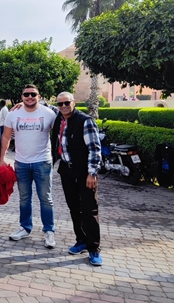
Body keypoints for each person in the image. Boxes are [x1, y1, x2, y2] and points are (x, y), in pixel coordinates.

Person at [0, 84, 57, 249]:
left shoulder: (49, 113)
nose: (29, 97)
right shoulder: (13, 114)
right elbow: (6, 137)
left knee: (46, 198)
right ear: (22, 97)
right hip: (21, 163)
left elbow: (62, 127)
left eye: (33, 94)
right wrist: (1, 158)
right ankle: (25, 227)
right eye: (26, 94)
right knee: (24, 198)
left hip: (43, 162)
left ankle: (49, 231)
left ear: (39, 96)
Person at [51, 92, 103, 266]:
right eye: (60, 104)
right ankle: (81, 240)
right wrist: (21, 104)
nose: (63, 106)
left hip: (84, 172)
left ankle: (93, 248)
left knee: (89, 210)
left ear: (74, 102)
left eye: (67, 103)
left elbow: (94, 148)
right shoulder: (59, 119)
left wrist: (92, 173)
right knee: (74, 208)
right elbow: (39, 104)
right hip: (67, 170)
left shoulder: (85, 121)